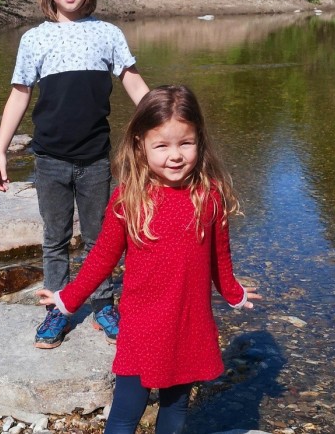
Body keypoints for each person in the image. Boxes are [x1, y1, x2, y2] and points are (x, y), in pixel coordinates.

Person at [37, 85, 262, 434]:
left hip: (189, 323)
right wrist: (67, 299)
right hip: (143, 325)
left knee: (175, 408)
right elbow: (101, 259)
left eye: (185, 143)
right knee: (127, 409)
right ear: (140, 144)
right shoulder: (128, 199)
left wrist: (235, 293)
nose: (175, 155)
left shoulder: (209, 196)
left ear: (199, 140)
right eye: (162, 145)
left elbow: (220, 257)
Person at [0, 0, 150, 349]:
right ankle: (56, 311)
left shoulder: (107, 34)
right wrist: (0, 149)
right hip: (50, 161)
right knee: (55, 239)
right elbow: (19, 94)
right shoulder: (35, 40)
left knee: (102, 239)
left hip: (96, 159)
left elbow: (131, 80)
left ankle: (103, 306)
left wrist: (161, 123)